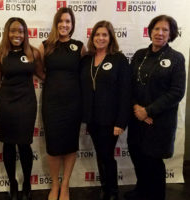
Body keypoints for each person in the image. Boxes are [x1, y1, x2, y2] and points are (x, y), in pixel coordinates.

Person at [126, 15, 186, 200]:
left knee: (153, 161)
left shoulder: (176, 58)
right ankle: (141, 190)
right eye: (156, 29)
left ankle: (156, 195)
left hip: (159, 121)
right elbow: (129, 85)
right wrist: (137, 108)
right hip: (137, 118)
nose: (160, 33)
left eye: (165, 30)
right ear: (150, 31)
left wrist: (148, 111)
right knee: (137, 155)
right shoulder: (139, 55)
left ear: (171, 34)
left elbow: (177, 92)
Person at [0, 17, 44, 200]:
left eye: (21, 31)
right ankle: (13, 183)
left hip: (27, 104)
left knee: (24, 144)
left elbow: (43, 75)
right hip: (6, 104)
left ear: (25, 33)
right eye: (13, 30)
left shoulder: (34, 53)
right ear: (7, 32)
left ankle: (27, 183)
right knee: (8, 144)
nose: (17, 34)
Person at [80, 20, 131, 200]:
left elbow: (126, 93)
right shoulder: (87, 59)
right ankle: (105, 188)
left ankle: (113, 192)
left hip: (111, 120)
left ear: (110, 38)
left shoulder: (119, 59)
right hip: (92, 119)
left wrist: (121, 122)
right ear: (92, 37)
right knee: (100, 155)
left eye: (104, 35)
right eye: (97, 35)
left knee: (107, 156)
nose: (100, 38)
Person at [39, 7, 86, 200]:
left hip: (74, 103)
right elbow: (38, 69)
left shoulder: (79, 46)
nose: (64, 25)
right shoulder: (46, 45)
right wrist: (51, 81)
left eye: (68, 21)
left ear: (72, 25)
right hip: (51, 103)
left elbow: (86, 72)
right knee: (53, 145)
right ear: (56, 23)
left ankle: (65, 185)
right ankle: (55, 185)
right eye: (61, 21)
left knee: (69, 145)